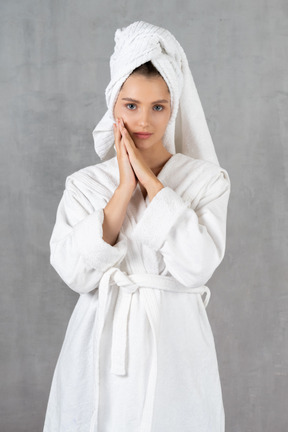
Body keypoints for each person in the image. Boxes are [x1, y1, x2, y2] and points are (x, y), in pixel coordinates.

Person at [43, 21, 231, 432]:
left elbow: (196, 266)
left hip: (176, 342)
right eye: (131, 105)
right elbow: (75, 274)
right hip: (100, 340)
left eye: (158, 107)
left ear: (173, 108)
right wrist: (124, 187)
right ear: (113, 105)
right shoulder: (85, 185)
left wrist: (152, 184)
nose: (144, 120)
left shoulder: (206, 181)